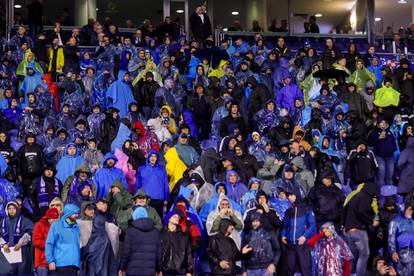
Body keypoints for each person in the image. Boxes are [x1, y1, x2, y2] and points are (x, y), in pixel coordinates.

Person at [342, 182, 379, 276]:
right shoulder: (366, 197)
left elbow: (344, 210)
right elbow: (362, 211)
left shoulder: (354, 196)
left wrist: (344, 226)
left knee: (352, 256)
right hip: (358, 231)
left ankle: (350, 274)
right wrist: (371, 221)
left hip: (348, 231)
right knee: (364, 254)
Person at [281, 188, 316, 276]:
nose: (288, 197)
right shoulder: (288, 211)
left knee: (305, 268)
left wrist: (304, 237)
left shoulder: (307, 209)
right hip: (290, 245)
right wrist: (283, 235)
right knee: (289, 268)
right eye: (288, 195)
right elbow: (285, 225)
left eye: (290, 195)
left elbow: (312, 225)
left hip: (302, 244)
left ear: (296, 195)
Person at [119, 207, 160, 276]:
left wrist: (121, 268)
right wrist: (159, 269)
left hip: (132, 270)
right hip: (150, 271)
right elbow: (158, 254)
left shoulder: (130, 231)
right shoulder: (155, 232)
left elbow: (126, 253)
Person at [45, 203, 80, 276]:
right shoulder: (56, 225)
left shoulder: (76, 227)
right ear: (68, 213)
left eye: (77, 213)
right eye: (74, 213)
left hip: (74, 265)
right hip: (60, 265)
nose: (77, 215)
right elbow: (49, 244)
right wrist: (50, 261)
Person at [0, 201, 34, 275]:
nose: (11, 210)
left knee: (22, 272)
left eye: (13, 208)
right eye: (9, 208)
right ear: (7, 210)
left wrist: (20, 243)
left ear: (17, 209)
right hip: (6, 252)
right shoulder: (2, 221)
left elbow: (29, 232)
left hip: (21, 253)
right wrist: (3, 244)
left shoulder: (24, 220)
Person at [242, 211, 281, 276]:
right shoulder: (247, 235)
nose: (254, 223)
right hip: (251, 269)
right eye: (253, 221)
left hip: (267, 268)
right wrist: (243, 270)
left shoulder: (270, 233)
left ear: (261, 221)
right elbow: (242, 254)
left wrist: (273, 264)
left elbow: (277, 250)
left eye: (257, 221)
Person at [159, 210, 194, 276]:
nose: (177, 218)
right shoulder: (161, 234)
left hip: (180, 271)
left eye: (178, 217)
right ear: (168, 218)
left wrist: (189, 271)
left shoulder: (184, 236)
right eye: (174, 216)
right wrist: (158, 270)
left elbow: (189, 254)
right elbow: (158, 253)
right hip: (165, 271)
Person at [135, 149, 169, 218]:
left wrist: (166, 198)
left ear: (157, 158)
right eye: (151, 156)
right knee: (146, 219)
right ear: (148, 157)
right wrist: (136, 197)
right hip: (146, 199)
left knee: (158, 219)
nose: (153, 158)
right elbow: (138, 184)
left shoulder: (162, 169)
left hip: (159, 199)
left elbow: (165, 184)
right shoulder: (142, 168)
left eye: (155, 156)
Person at [388, 202, 414, 276]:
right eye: (409, 209)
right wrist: (393, 251)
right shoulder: (395, 222)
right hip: (400, 254)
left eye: (412, 210)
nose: (411, 212)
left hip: (412, 253)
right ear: (403, 210)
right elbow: (391, 237)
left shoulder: (412, 221)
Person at [33, 208, 60, 276]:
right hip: (42, 261)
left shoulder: (58, 226)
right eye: (51, 218)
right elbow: (36, 241)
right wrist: (50, 244)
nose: (53, 220)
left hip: (56, 261)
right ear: (47, 217)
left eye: (55, 219)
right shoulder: (39, 225)